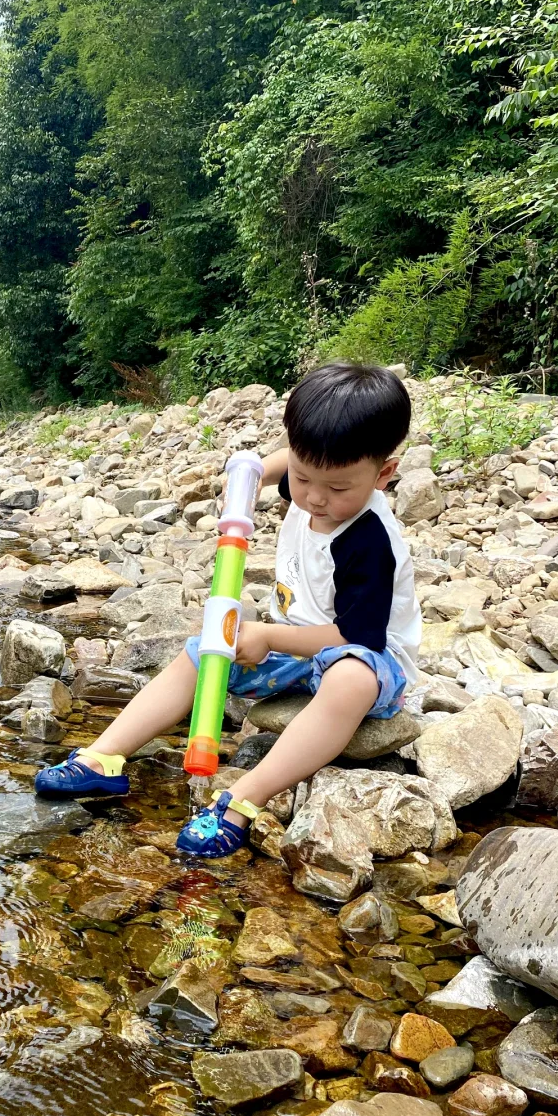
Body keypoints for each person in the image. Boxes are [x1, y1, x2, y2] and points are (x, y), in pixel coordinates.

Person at [35, 362, 421, 857]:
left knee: (350, 678)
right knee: (202, 651)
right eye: (303, 478)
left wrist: (269, 638)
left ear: (383, 474)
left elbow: (355, 636)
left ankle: (243, 800)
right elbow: (289, 462)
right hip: (302, 643)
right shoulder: (320, 483)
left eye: (338, 487)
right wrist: (254, 473)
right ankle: (103, 760)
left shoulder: (368, 540)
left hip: (365, 655)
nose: (314, 498)